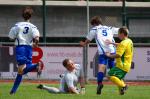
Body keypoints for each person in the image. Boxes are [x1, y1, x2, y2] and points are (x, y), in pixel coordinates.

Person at [80, 16, 119, 95]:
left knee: (101, 68)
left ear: (94, 24)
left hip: (103, 52)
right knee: (113, 70)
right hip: (112, 51)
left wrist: (84, 43)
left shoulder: (94, 29)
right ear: (100, 22)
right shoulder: (109, 28)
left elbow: (88, 40)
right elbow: (121, 30)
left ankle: (100, 83)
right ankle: (121, 86)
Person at [8, 7, 42, 94]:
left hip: (21, 48)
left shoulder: (17, 25)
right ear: (31, 16)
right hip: (29, 49)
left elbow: (10, 37)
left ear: (22, 15)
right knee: (24, 68)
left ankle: (13, 91)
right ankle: (13, 91)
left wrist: (17, 37)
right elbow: (37, 38)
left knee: (20, 70)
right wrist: (36, 44)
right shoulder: (33, 27)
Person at [105, 27, 133, 95]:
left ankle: (124, 86)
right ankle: (121, 92)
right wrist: (111, 43)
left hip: (122, 65)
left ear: (122, 34)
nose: (118, 35)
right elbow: (121, 45)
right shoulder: (129, 41)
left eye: (118, 34)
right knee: (118, 78)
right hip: (126, 65)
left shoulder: (123, 43)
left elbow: (118, 55)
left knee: (109, 75)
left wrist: (109, 56)